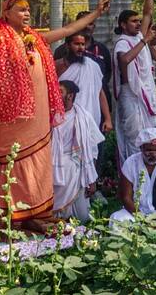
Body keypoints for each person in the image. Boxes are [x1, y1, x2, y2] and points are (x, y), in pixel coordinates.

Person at [0, 0, 110, 231]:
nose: (27, 13)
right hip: (15, 117)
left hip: (39, 115)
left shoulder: (36, 39)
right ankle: (17, 214)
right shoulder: (1, 37)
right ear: (6, 13)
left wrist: (95, 13)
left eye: (28, 9)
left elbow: (68, 30)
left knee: (40, 161)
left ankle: (38, 211)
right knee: (18, 161)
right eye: (21, 9)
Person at [113, 0, 156, 161]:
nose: (139, 23)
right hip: (130, 95)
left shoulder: (139, 37)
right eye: (133, 21)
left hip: (144, 93)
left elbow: (148, 13)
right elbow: (124, 60)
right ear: (123, 25)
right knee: (134, 138)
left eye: (138, 21)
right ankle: (133, 178)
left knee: (149, 137)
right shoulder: (122, 42)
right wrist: (144, 41)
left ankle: (147, 175)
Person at [51, 80, 105, 222]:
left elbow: (92, 150)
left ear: (70, 96)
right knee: (52, 216)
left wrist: (91, 179)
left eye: (60, 91)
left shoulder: (83, 116)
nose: (55, 94)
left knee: (83, 218)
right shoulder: (50, 116)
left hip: (77, 168)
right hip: (52, 167)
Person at [55, 32, 112, 131]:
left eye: (83, 44)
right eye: (76, 44)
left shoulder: (92, 66)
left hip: (90, 118)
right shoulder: (57, 66)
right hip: (64, 120)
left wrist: (108, 119)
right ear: (68, 45)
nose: (81, 48)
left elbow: (100, 92)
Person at [53, 11, 112, 105]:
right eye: (83, 22)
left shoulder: (101, 50)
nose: (86, 26)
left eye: (90, 23)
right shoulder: (60, 53)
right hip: (67, 108)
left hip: (94, 103)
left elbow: (107, 73)